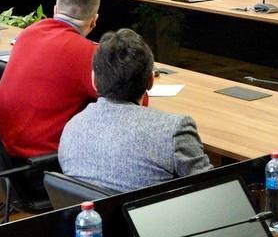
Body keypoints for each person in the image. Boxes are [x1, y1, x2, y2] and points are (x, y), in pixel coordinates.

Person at [59, 29, 212, 193]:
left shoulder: (72, 127)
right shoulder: (173, 130)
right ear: (151, 81)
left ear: (94, 81)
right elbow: (213, 188)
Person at [0, 0, 102, 160]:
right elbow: (130, 99)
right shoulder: (90, 54)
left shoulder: (29, 32)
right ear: (94, 21)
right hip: (41, 160)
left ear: (55, 10)